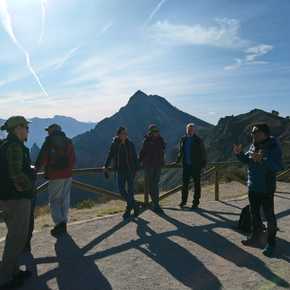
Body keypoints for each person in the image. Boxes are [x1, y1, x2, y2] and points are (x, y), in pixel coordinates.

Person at [234, 123, 283, 257]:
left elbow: (278, 166)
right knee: (254, 214)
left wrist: (263, 159)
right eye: (252, 133)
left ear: (264, 134)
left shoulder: (273, 146)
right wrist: (239, 155)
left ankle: (271, 244)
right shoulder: (254, 145)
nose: (253, 134)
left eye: (255, 132)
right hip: (252, 186)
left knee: (269, 216)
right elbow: (248, 160)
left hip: (266, 187)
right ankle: (255, 238)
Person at [0, 116, 36, 289]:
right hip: (17, 199)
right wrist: (30, 188)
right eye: (26, 128)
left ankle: (13, 272)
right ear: (17, 129)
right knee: (17, 238)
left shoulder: (6, 145)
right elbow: (16, 175)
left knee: (14, 236)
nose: (28, 131)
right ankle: (5, 278)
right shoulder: (15, 147)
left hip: (7, 198)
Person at [35, 124, 75, 237]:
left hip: (55, 175)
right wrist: (68, 169)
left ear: (52, 131)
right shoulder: (68, 141)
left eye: (48, 130)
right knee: (65, 199)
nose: (47, 132)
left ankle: (59, 224)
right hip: (68, 174)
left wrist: (36, 169)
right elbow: (73, 158)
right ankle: (64, 222)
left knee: (54, 200)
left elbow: (42, 157)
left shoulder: (49, 141)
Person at [104, 127, 139, 219]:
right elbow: (110, 155)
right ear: (118, 135)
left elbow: (135, 157)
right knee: (121, 190)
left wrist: (136, 169)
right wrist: (106, 166)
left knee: (131, 191)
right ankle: (134, 205)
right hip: (120, 170)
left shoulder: (130, 144)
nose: (125, 135)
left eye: (125, 133)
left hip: (130, 170)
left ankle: (128, 210)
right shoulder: (115, 145)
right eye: (123, 133)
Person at [176, 123, 207, 209]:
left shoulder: (198, 140)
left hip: (196, 166)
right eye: (188, 129)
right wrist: (177, 161)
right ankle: (183, 201)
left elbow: (203, 152)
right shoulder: (183, 139)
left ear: (194, 130)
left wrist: (203, 163)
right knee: (184, 184)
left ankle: (196, 202)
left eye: (191, 130)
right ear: (186, 130)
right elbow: (181, 152)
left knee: (197, 184)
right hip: (186, 165)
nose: (190, 131)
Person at [139, 124, 166, 214]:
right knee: (152, 185)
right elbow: (142, 152)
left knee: (154, 185)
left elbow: (163, 149)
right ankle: (156, 204)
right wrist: (138, 162)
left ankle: (155, 204)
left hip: (157, 165)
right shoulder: (146, 141)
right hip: (149, 166)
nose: (156, 133)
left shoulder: (160, 140)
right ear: (150, 132)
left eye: (157, 131)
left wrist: (162, 160)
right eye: (154, 131)